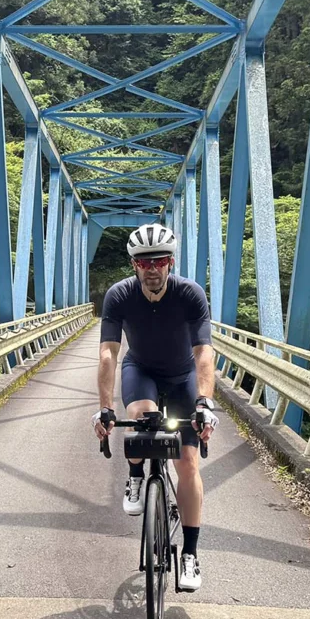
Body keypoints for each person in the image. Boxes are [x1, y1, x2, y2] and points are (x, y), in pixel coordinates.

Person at [91, 222, 218, 591]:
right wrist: (103, 407)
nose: (152, 268)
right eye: (144, 262)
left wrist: (205, 403)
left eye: (159, 261)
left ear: (171, 262)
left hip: (181, 377)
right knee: (139, 417)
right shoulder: (119, 296)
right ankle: (135, 477)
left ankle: (191, 554)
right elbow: (108, 353)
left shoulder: (190, 294)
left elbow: (204, 352)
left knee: (188, 462)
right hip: (141, 369)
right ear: (134, 265)